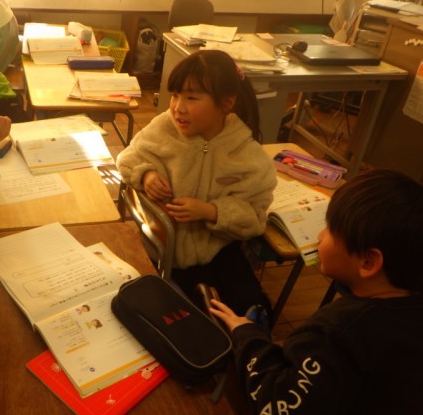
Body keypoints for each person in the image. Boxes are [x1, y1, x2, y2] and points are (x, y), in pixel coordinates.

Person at [211, 169, 423, 414]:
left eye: (330, 228)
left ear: (368, 262)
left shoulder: (336, 334)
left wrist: (247, 336)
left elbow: (274, 404)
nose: (320, 236)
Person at [116, 50, 277, 316]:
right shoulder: (164, 127)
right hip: (160, 250)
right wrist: (146, 174)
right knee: (181, 314)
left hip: (218, 251)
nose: (178, 107)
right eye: (175, 95)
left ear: (226, 103)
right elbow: (128, 157)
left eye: (191, 98)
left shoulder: (247, 155)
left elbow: (255, 218)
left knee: (249, 304)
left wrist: (212, 211)